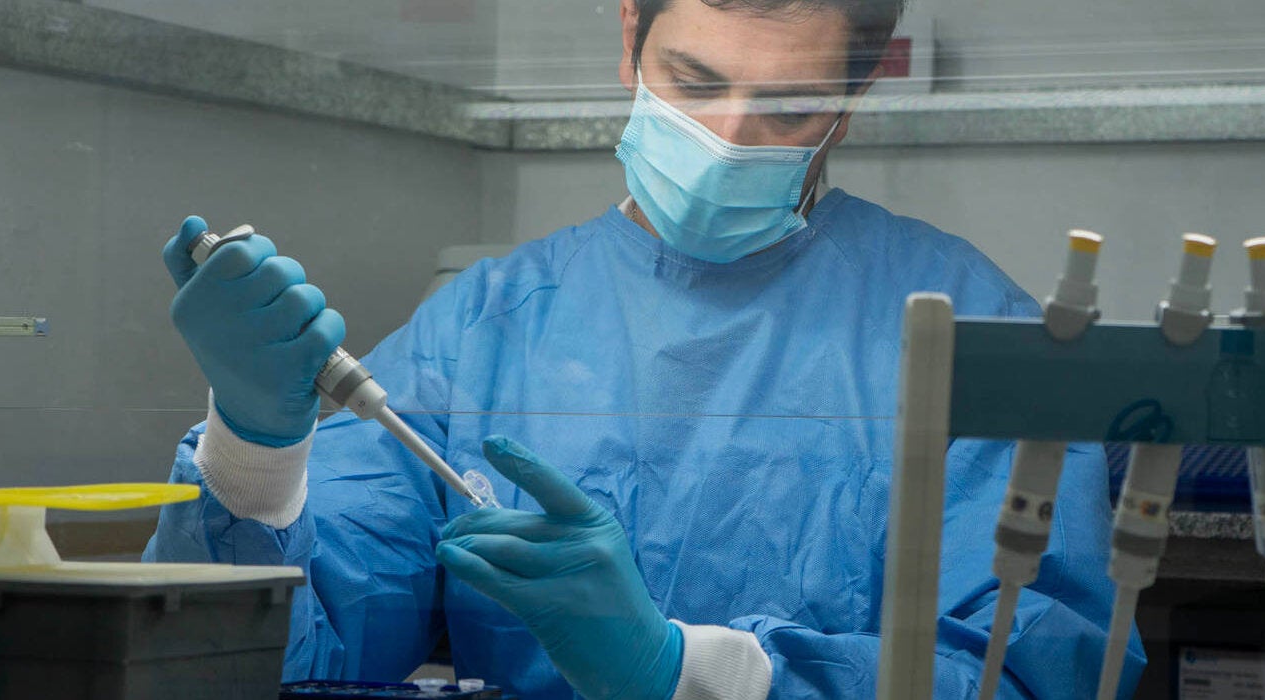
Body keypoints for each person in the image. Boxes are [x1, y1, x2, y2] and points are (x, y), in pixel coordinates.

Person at [144, 0, 1144, 697]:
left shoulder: (966, 331)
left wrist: (678, 672)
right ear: (631, 36)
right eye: (693, 81)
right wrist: (254, 449)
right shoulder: (485, 327)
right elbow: (294, 659)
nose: (726, 135)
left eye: (787, 107)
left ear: (859, 90)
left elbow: (1026, 673)